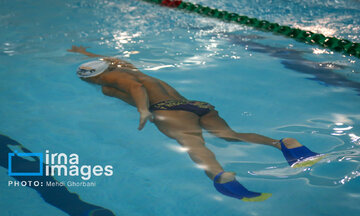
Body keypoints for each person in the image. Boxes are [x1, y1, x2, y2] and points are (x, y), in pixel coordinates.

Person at [68, 45, 324, 202]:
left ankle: (221, 176)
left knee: (191, 143)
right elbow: (117, 65)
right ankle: (283, 144)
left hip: (167, 111)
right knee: (229, 134)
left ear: (92, 79)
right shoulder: (131, 69)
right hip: (197, 105)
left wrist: (144, 111)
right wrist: (86, 54)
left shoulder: (110, 84)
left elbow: (135, 88)